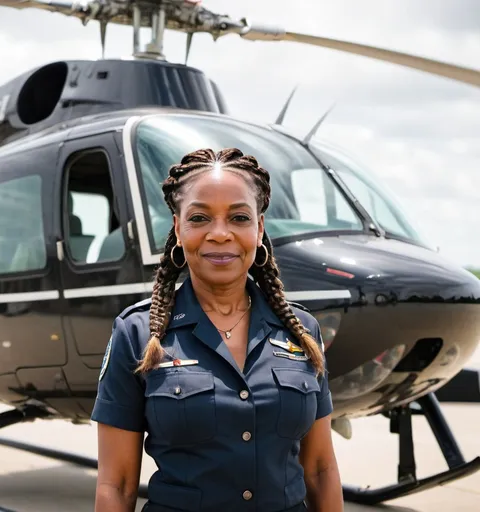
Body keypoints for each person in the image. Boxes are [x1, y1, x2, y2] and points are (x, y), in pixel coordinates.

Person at [91, 148, 344, 512]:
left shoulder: (302, 331)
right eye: (200, 218)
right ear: (178, 229)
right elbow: (117, 485)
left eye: (239, 217)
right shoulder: (138, 334)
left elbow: (320, 470)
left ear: (259, 230)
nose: (220, 234)